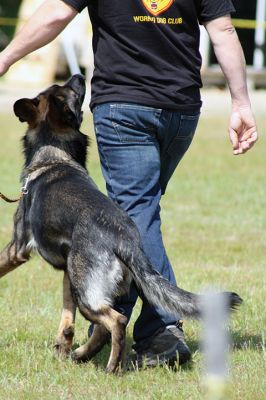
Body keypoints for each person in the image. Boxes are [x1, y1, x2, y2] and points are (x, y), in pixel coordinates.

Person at [0, 0, 257, 368]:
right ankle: (108, 315)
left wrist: (6, 57)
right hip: (181, 111)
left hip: (126, 106)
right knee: (140, 211)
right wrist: (241, 102)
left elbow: (57, 12)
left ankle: (160, 332)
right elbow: (224, 31)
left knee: (136, 217)